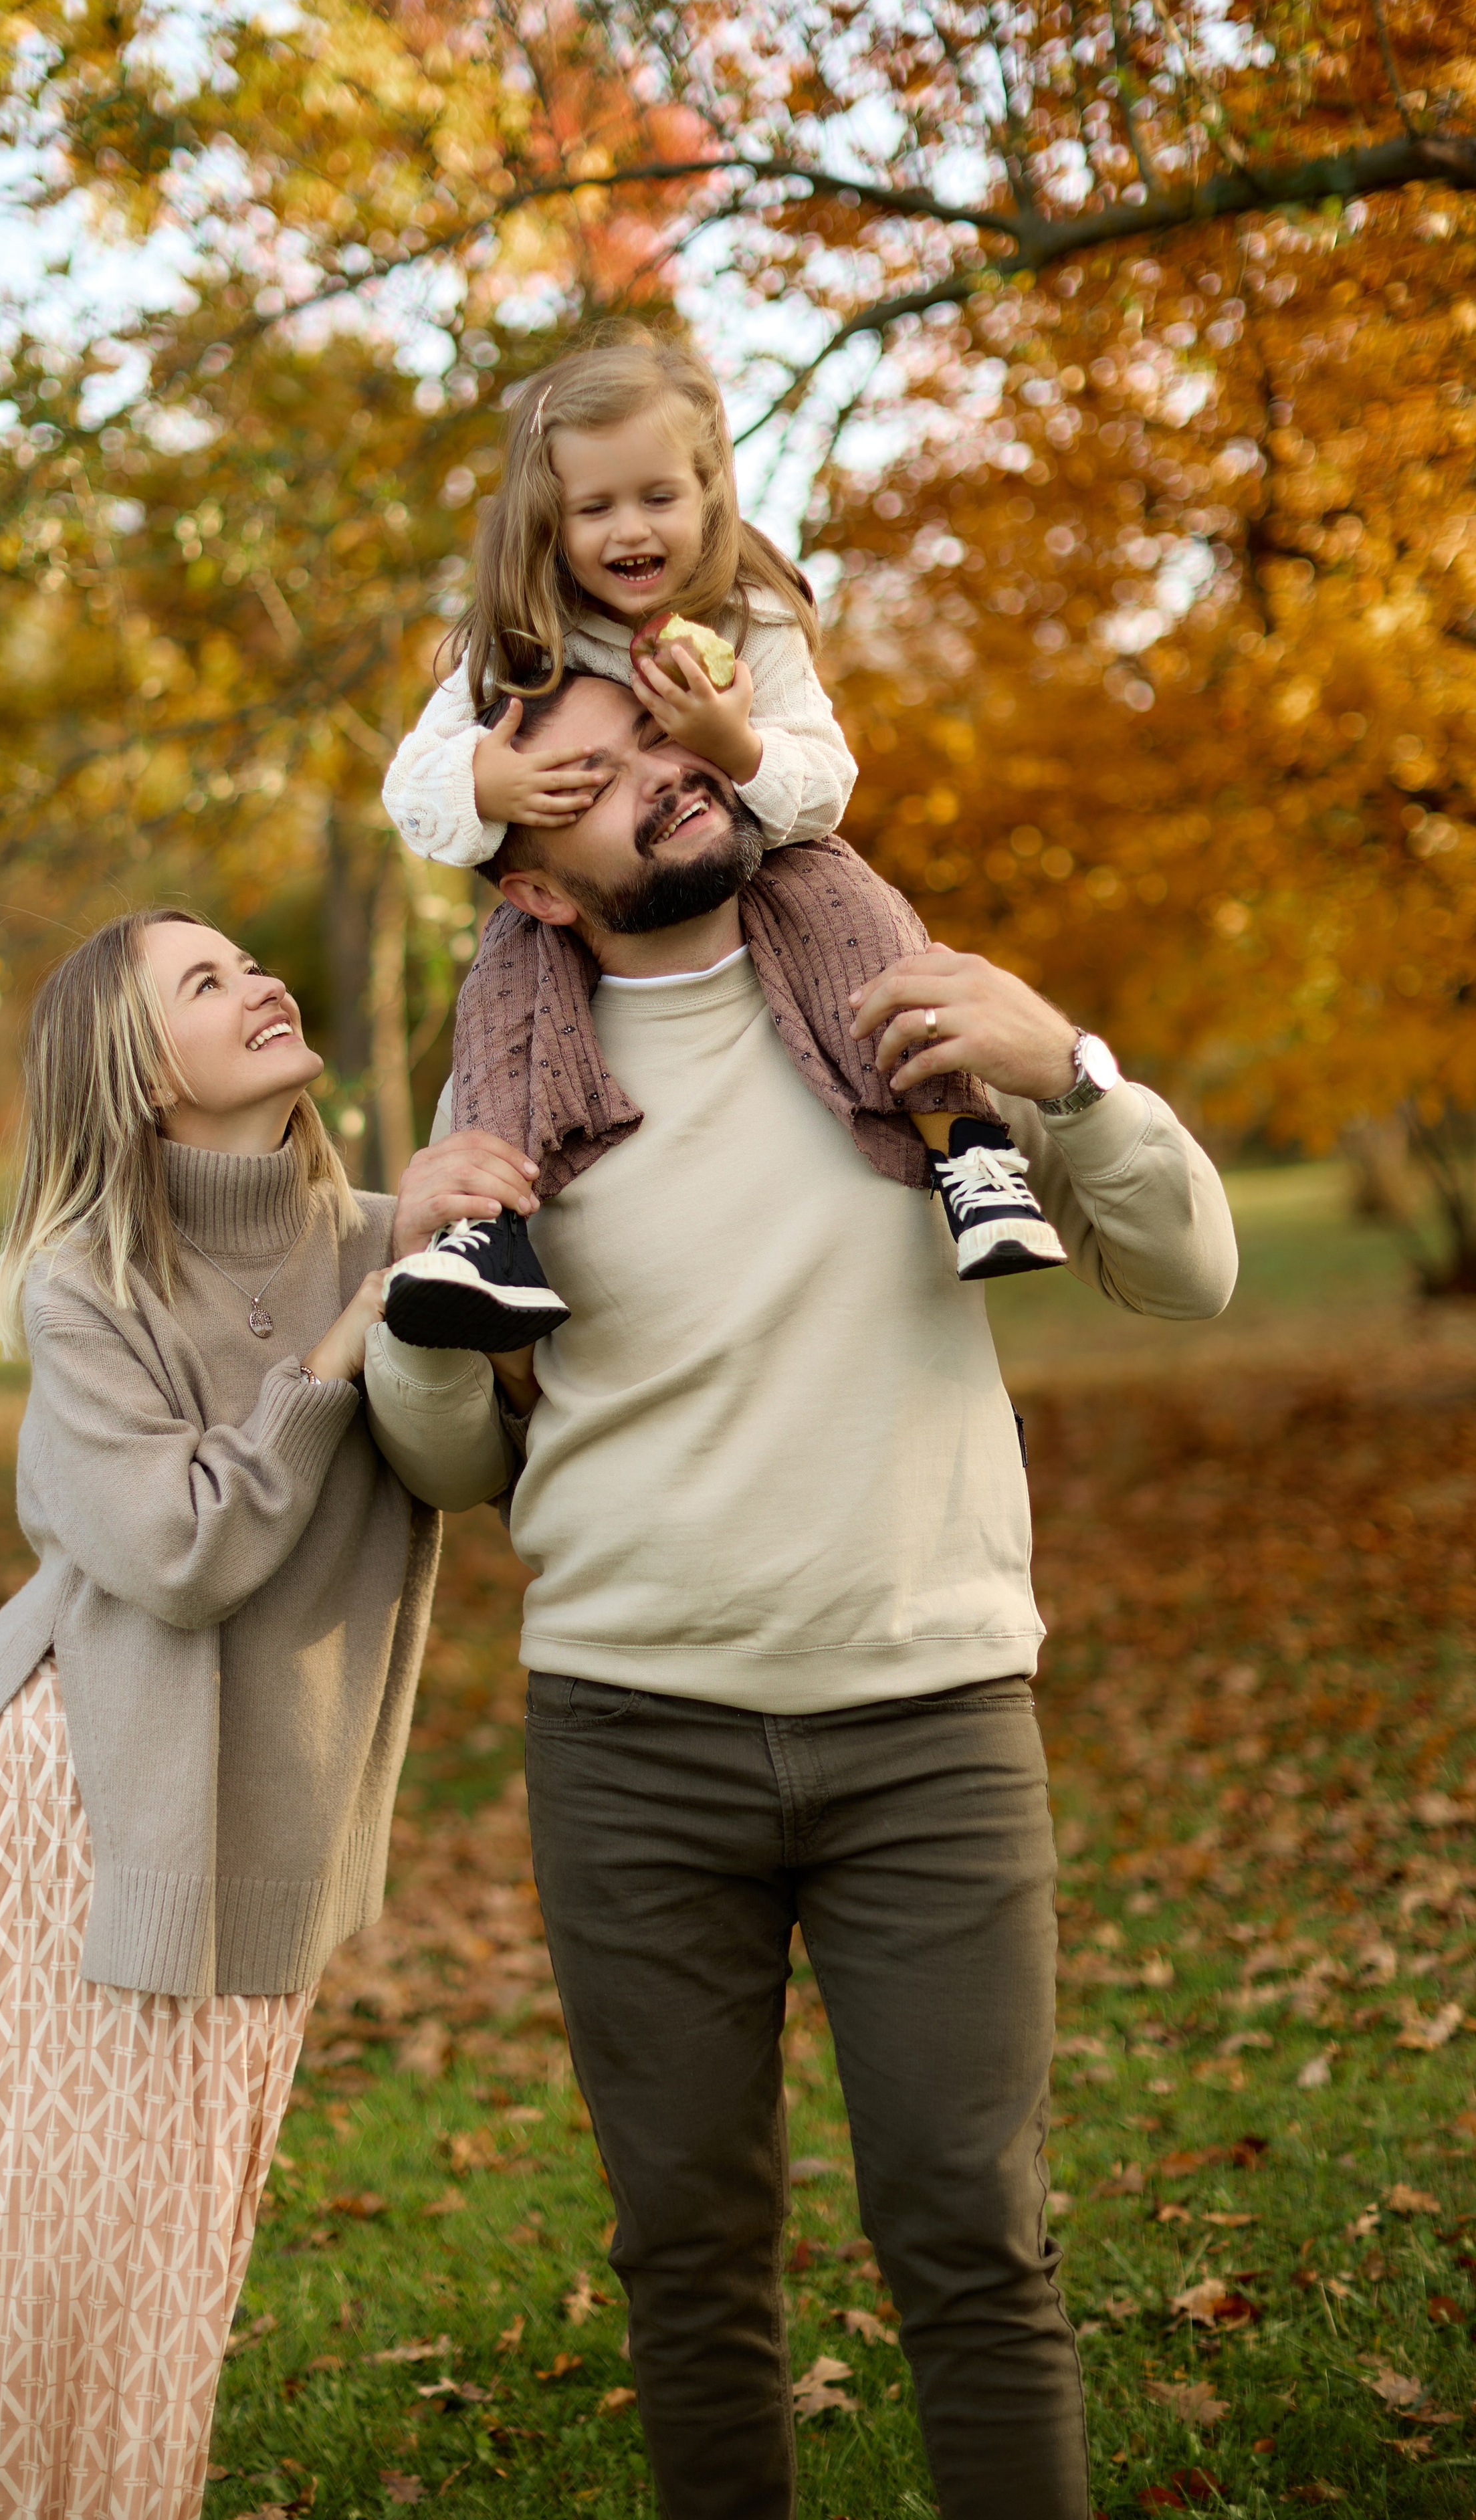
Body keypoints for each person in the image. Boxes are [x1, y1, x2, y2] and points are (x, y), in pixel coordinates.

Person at [359, 673, 1240, 2520]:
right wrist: (418, 1284)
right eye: (596, 780)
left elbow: (1190, 1278)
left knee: (975, 2243)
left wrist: (1066, 1065)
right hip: (632, 1738)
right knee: (690, 2267)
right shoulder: (507, 1082)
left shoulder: (895, 1002)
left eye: (679, 740)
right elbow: (453, 1465)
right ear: (526, 874)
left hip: (929, 1719)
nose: (668, 783)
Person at [0, 907, 512, 2520]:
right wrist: (326, 1359)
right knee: (67, 2273)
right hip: (86, 1808)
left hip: (256, 1813)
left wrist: (412, 1264)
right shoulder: (89, 1284)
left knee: (164, 2266)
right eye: (207, 982)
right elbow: (174, 1551)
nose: (262, 983)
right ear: (143, 1082)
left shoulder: (383, 1226)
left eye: (252, 960)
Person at [379, 326, 1065, 1346]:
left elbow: (825, 781)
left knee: (861, 921)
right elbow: (408, 785)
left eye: (658, 497)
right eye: (594, 508)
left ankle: (964, 1148)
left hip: (768, 857)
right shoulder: (517, 641)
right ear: (550, 522)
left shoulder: (751, 621)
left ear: (710, 494)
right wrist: (488, 773)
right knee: (504, 1006)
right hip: (582, 898)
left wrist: (735, 746)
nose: (629, 530)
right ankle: (487, 1234)